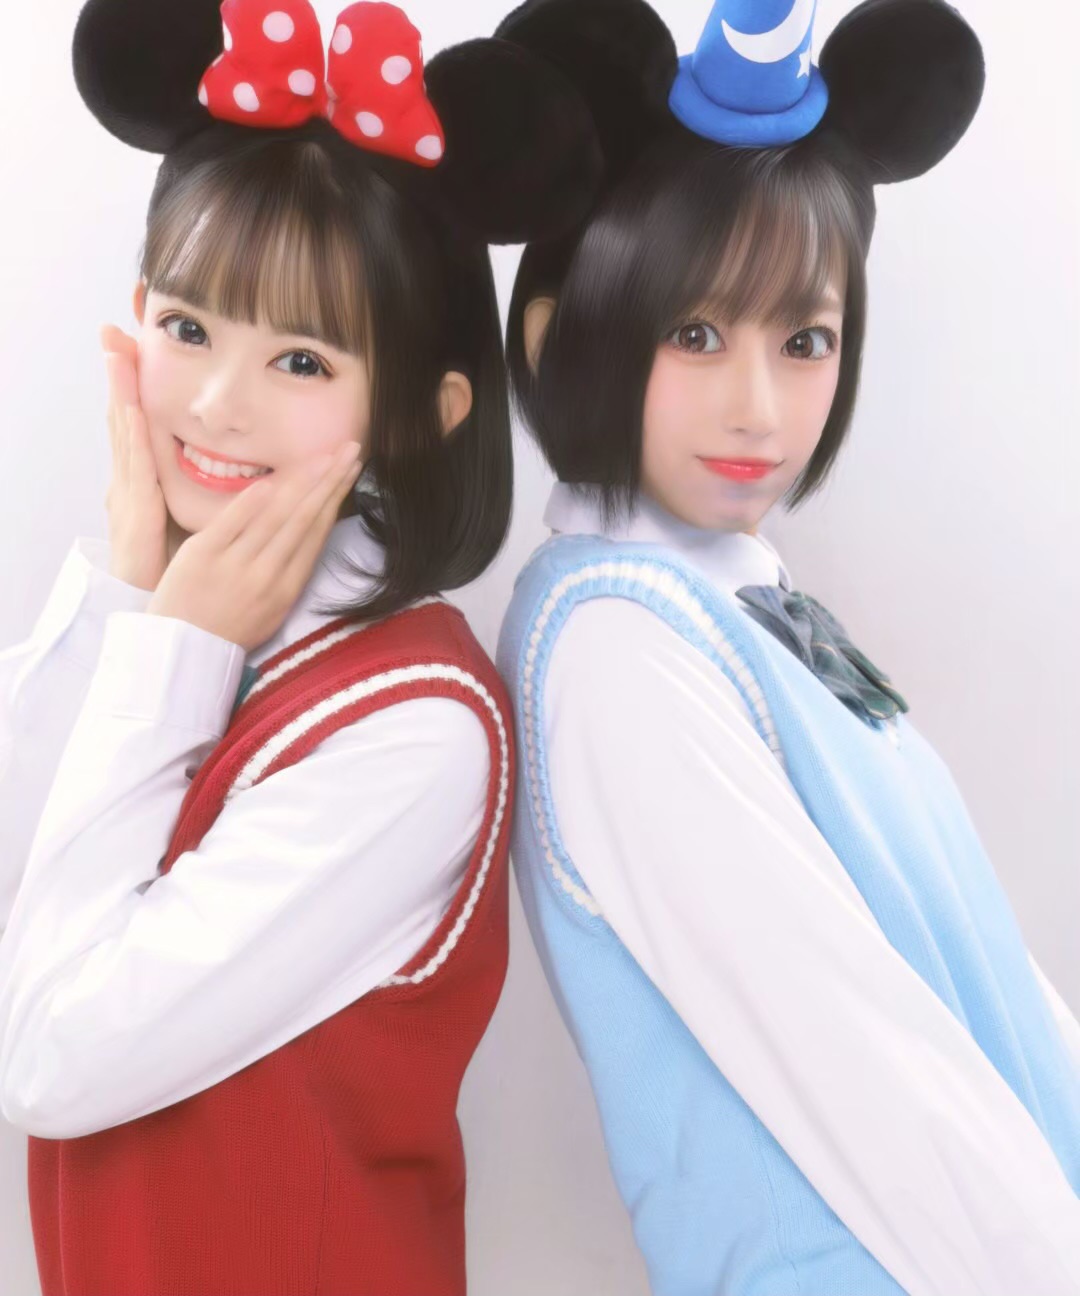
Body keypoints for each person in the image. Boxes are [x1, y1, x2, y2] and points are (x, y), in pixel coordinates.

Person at [0, 1, 596, 1292]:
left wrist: (171, 644)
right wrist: (130, 592)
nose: (218, 404)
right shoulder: (183, 623)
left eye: (304, 361)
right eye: (190, 329)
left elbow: (51, 1058)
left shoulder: (415, 723)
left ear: (424, 412)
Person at [494, 1, 1080, 1293]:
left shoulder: (738, 599)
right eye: (694, 333)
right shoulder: (613, 645)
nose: (758, 408)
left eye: (804, 339)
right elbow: (856, 1061)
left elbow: (973, 970)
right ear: (567, 329)